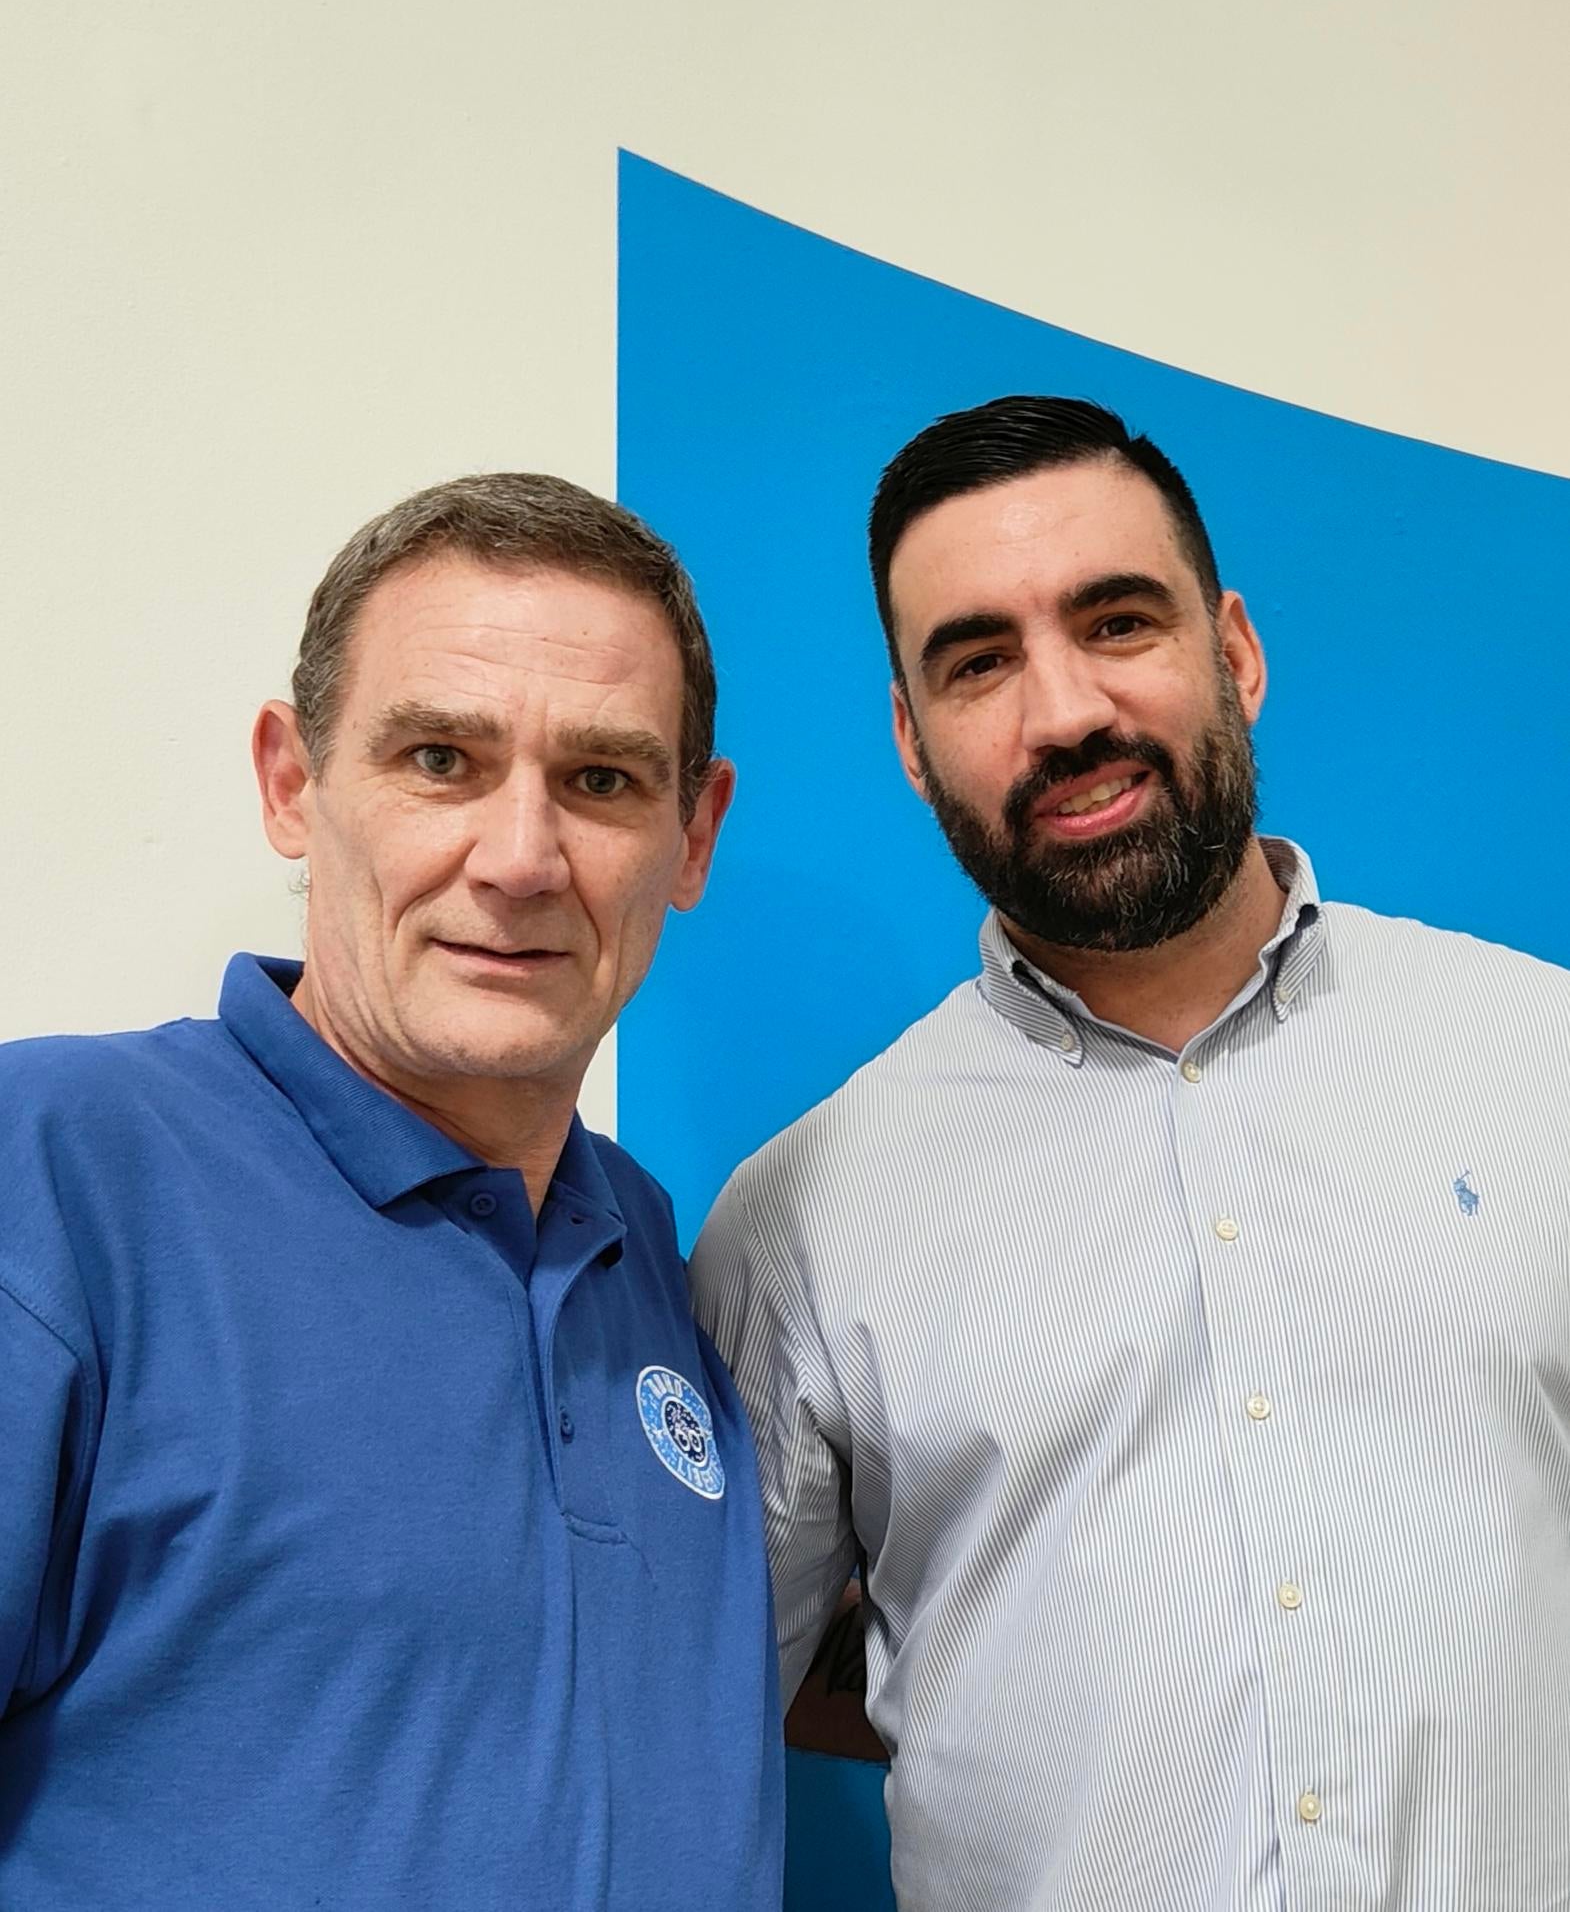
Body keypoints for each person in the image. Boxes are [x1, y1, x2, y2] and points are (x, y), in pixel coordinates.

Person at [691, 396, 1570, 1911]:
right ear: (909, 739)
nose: (1064, 711)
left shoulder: (1537, 1058)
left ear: (1232, 650)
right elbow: (691, 1718)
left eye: (1116, 621)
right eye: (977, 662)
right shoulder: (802, 1220)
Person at [0, 473, 783, 1910]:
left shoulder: (650, 1251)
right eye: (440, 758)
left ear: (694, 832)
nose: (519, 859)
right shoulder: (53, 1171)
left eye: (602, 779)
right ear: (294, 782)